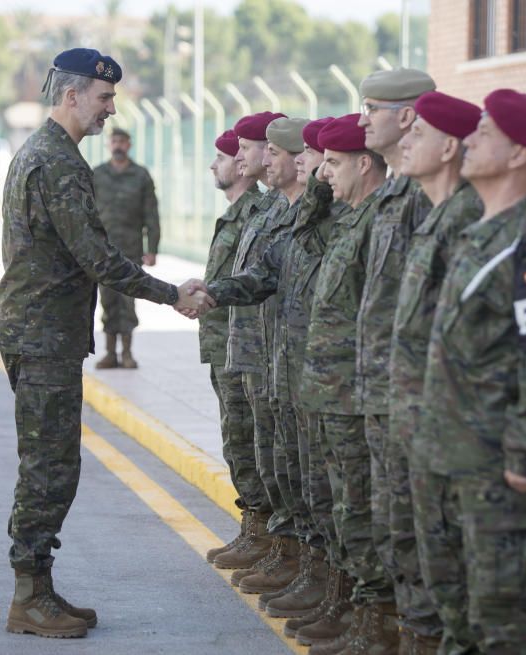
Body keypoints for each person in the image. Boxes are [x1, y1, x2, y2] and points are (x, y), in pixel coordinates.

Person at [0, 48, 211, 639]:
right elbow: (96, 257)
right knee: (50, 467)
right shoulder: (58, 163)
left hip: (42, 332)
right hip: (44, 337)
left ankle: (37, 586)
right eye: (103, 97)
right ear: (71, 95)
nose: (110, 111)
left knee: (51, 463)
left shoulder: (46, 153)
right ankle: (29, 595)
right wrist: (173, 294)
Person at [416, 88, 526, 654]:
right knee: (458, 613)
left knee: (507, 617)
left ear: (516, 156)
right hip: (450, 457)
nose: (470, 140)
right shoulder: (479, 233)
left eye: (484, 132)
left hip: (496, 472)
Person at [189, 117, 345, 619]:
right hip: (272, 357)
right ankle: (292, 556)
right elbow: (261, 275)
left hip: (312, 372)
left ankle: (332, 586)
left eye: (290, 153)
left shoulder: (324, 218)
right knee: (279, 463)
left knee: (317, 480)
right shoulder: (287, 216)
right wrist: (210, 293)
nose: (289, 161)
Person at [389, 90, 483, 654]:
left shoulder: (466, 221)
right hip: (421, 422)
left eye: (416, 134)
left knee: (457, 571)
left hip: (452, 433)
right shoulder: (439, 215)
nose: (405, 141)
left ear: (449, 147)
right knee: (430, 560)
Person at [298, 114, 389, 654]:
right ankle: (356, 609)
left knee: (361, 509)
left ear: (363, 163)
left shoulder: (379, 222)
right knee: (343, 508)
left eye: (331, 163)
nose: (322, 174)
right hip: (333, 392)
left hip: (359, 398)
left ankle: (378, 624)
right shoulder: (351, 219)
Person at [353, 67, 436, 655]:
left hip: (410, 398)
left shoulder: (425, 198)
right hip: (381, 392)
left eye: (371, 109)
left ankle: (421, 637)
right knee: (390, 526)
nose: (362, 121)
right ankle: (400, 631)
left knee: (415, 531)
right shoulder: (391, 195)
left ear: (406, 116)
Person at [211, 111, 294, 578]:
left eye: (246, 147)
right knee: (252, 448)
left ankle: (287, 551)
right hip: (246, 347)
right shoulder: (269, 212)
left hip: (274, 354)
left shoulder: (271, 211)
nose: (239, 157)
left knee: (278, 456)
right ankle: (261, 533)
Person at [200, 129, 271, 569]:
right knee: (237, 439)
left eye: (226, 156)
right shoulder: (236, 215)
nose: (218, 164)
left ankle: (264, 534)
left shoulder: (256, 213)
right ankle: (254, 529)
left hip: (245, 346)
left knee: (251, 441)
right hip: (224, 344)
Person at [92, 127, 161, 369]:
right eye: (114, 141)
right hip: (103, 251)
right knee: (108, 301)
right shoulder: (97, 175)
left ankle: (128, 353)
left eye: (123, 141)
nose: (118, 145)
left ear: (129, 145)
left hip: (131, 251)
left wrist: (152, 248)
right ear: (109, 145)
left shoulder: (140, 175)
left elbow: (151, 214)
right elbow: (88, 212)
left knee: (129, 300)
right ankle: (110, 353)